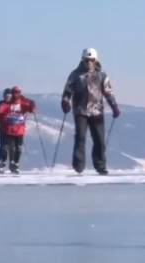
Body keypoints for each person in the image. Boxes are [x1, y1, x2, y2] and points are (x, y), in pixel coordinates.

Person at [61, 47, 120, 175]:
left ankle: (100, 166)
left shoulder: (101, 74)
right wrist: (65, 102)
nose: (89, 63)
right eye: (86, 60)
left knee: (99, 140)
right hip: (80, 111)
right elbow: (68, 90)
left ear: (95, 60)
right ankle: (79, 165)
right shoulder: (75, 74)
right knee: (80, 138)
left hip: (97, 112)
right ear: (82, 60)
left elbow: (108, 92)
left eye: (91, 60)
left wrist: (114, 106)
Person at [0, 86, 36, 174]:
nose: (15, 94)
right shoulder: (7, 103)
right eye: (14, 92)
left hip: (19, 130)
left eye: (17, 92)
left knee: (18, 149)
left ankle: (15, 164)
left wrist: (32, 104)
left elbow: (32, 109)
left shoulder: (23, 103)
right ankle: (1, 163)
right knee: (4, 147)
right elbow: (0, 110)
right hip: (6, 129)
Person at [0, 88, 12, 173]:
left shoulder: (14, 105)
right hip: (3, 129)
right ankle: (1, 163)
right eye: (6, 96)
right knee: (4, 147)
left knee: (13, 148)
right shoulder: (0, 104)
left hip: (14, 129)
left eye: (9, 96)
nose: (7, 97)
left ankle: (13, 165)